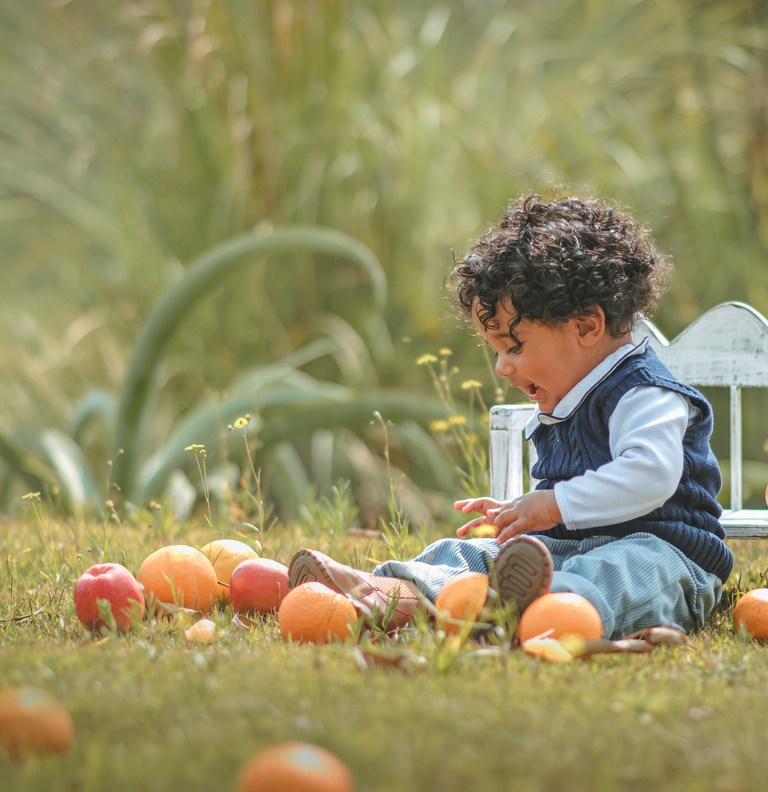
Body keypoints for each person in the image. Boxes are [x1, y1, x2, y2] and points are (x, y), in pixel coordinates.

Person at [288, 194, 734, 640]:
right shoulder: (569, 393)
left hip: (667, 556)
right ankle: (390, 593)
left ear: (586, 326)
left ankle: (518, 613)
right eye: (497, 350)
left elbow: (650, 474)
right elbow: (580, 492)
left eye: (514, 347)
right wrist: (522, 511)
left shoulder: (644, 392)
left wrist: (553, 505)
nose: (502, 367)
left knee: (613, 573)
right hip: (569, 547)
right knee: (467, 554)